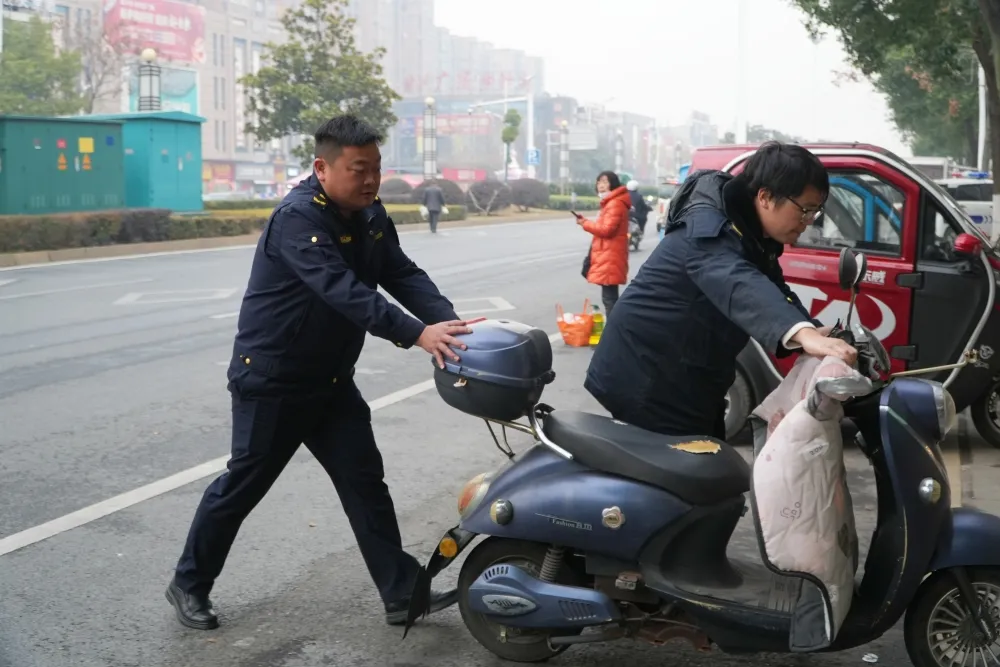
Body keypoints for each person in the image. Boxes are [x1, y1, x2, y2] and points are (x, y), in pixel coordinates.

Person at [165, 114, 469, 632]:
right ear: (322, 168)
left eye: (375, 168)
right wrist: (417, 334)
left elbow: (400, 272)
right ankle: (188, 584)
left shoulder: (371, 214)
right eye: (358, 170)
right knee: (243, 485)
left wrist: (447, 322)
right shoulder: (298, 219)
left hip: (330, 381)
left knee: (365, 483)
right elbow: (344, 291)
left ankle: (402, 593)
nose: (371, 180)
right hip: (273, 380)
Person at [585, 141, 857, 439]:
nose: (807, 223)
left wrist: (812, 332)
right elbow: (735, 279)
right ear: (765, 197)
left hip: (690, 375)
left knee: (707, 461)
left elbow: (773, 289)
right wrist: (800, 333)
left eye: (814, 213)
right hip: (647, 375)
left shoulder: (752, 234)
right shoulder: (709, 228)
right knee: (684, 474)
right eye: (804, 210)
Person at [575, 170, 630, 315]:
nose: (601, 185)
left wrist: (585, 223)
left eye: (605, 182)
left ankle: (614, 331)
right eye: (599, 182)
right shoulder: (610, 203)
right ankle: (616, 328)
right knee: (609, 296)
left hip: (610, 255)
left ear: (613, 184)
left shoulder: (615, 203)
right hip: (607, 253)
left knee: (609, 298)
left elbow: (606, 230)